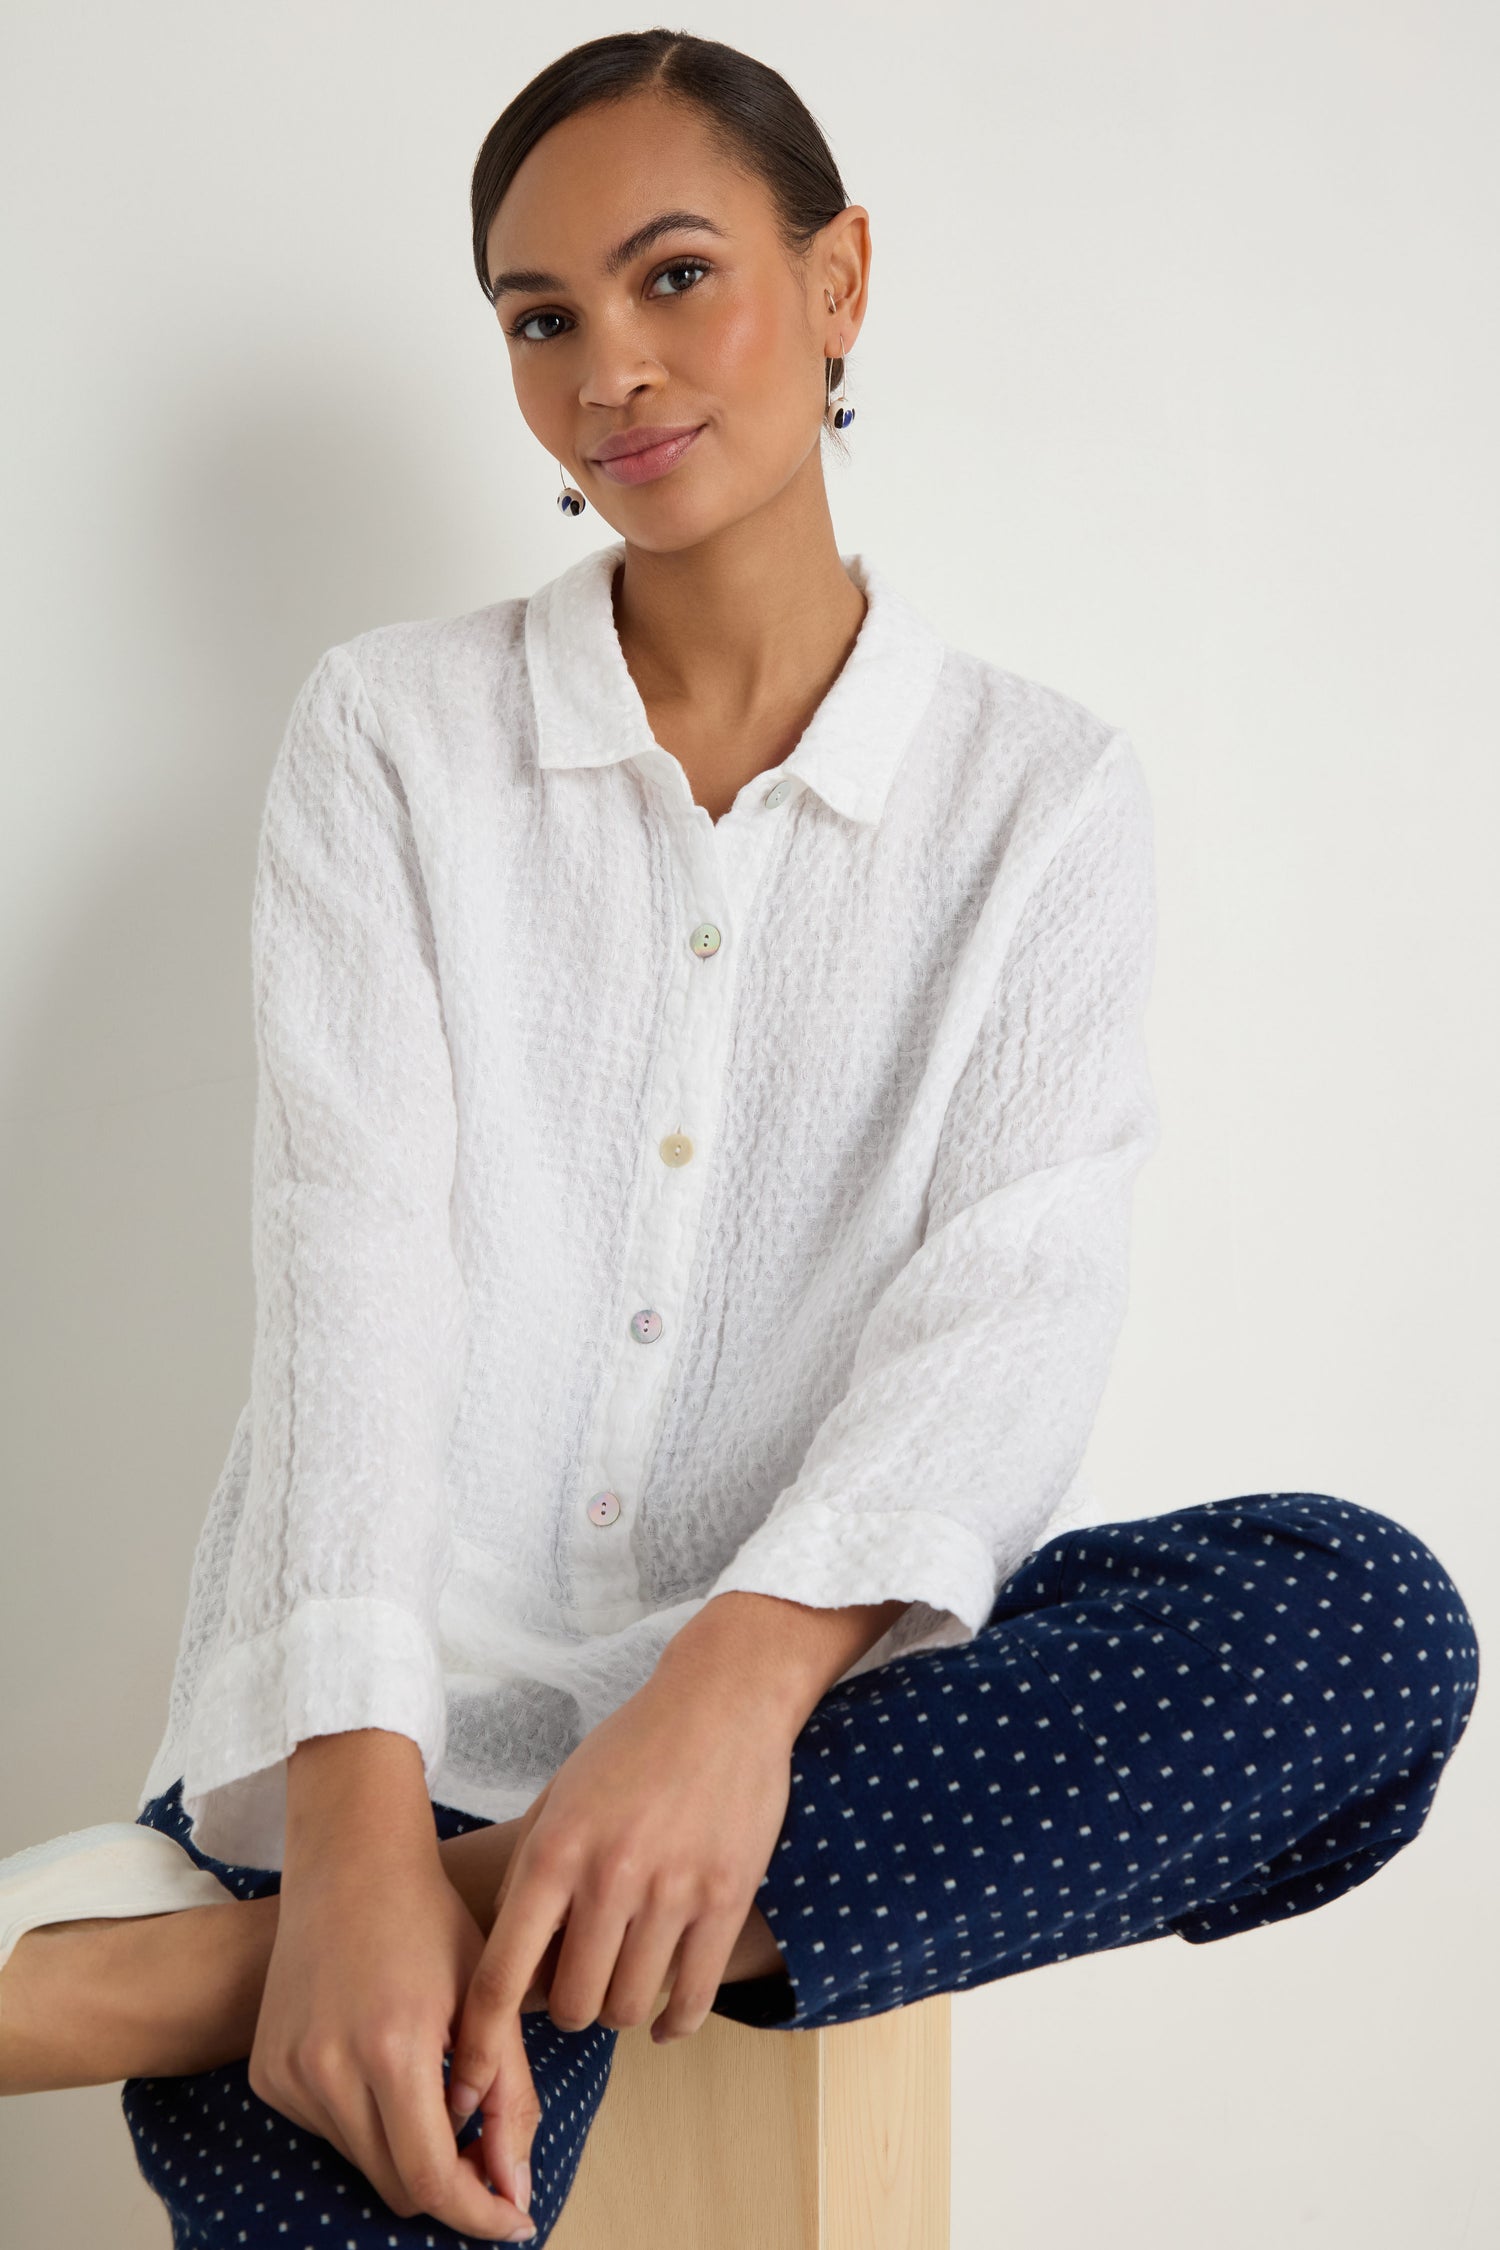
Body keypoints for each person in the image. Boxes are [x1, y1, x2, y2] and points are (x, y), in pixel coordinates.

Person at [0, 26, 1480, 2250]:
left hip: (800, 1761)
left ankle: (193, 1974)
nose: (611, 364)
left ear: (842, 276)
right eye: (541, 317)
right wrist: (361, 1846)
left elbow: (1015, 1300)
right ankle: (349, 1919)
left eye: (675, 274)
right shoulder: (392, 736)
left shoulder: (1039, 798)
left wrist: (723, 1695)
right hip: (378, 1734)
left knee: (1361, 1629)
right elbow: (355, 1269)